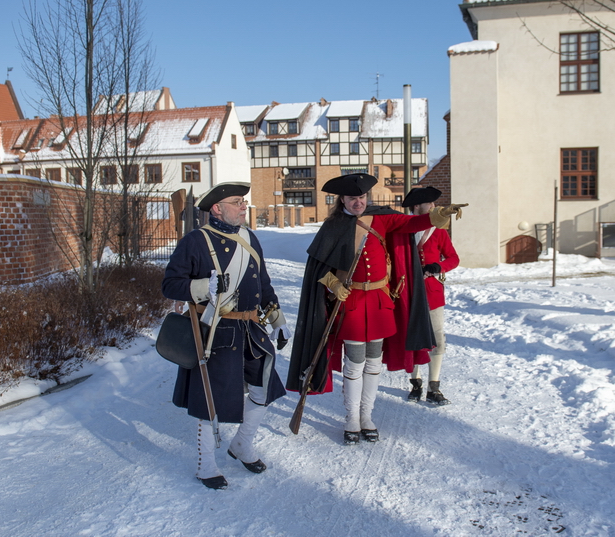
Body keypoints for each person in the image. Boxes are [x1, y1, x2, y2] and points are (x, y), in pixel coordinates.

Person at [286, 173, 460, 445]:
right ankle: (351, 418)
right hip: (352, 304)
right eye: (353, 198)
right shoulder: (333, 226)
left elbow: (412, 223)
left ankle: (367, 416)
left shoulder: (381, 218)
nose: (359, 202)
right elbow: (319, 268)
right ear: (342, 199)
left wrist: (438, 216)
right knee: (354, 364)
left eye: (362, 197)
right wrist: (332, 282)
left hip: (380, 302)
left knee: (373, 363)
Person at [162, 182, 291, 490]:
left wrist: (277, 320)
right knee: (211, 401)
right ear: (217, 208)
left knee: (262, 389)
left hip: (251, 328)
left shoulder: (250, 238)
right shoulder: (196, 241)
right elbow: (170, 284)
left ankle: (242, 445)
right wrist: (202, 288)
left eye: (243, 201)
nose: (244, 206)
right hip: (217, 331)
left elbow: (264, 285)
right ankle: (206, 465)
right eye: (237, 202)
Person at [401, 186, 460, 405]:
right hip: (408, 293)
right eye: (430, 204)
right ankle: (415, 383)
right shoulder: (404, 229)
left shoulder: (440, 231)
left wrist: (439, 266)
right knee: (413, 338)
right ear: (417, 206)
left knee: (437, 339)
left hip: (432, 293)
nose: (434, 207)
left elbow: (454, 258)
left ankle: (434, 387)